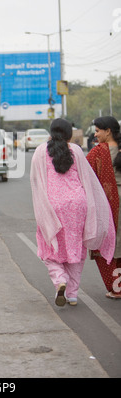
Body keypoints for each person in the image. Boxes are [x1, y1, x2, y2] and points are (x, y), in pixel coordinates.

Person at [30, 118, 115, 307]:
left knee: (50, 248)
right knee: (76, 246)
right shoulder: (76, 150)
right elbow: (88, 180)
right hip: (77, 205)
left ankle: (60, 279)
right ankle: (73, 294)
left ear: (51, 133)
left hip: (53, 204)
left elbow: (36, 182)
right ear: (69, 134)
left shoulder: (40, 152)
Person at [86, 116, 121, 299]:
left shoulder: (98, 152)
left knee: (108, 246)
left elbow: (83, 175)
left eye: (98, 130)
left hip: (109, 204)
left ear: (108, 131)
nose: (96, 134)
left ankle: (117, 288)